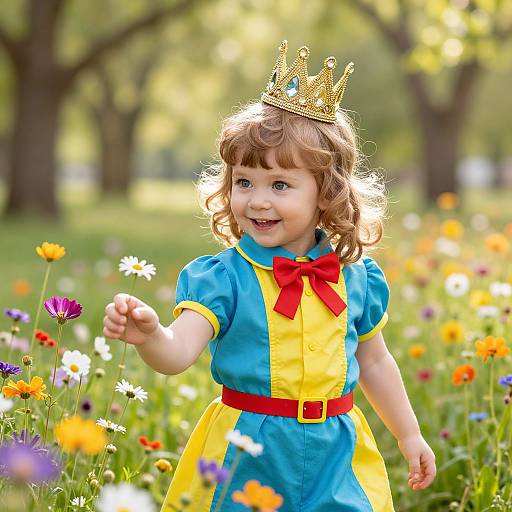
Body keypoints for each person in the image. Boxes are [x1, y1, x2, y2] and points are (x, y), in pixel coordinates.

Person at [103, 40, 436, 512]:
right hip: (246, 452)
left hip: (335, 452)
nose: (257, 200)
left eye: (280, 184)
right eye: (244, 182)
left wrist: (409, 433)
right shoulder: (222, 279)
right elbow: (177, 353)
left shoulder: (355, 276)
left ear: (326, 192)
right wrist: (150, 334)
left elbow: (376, 363)